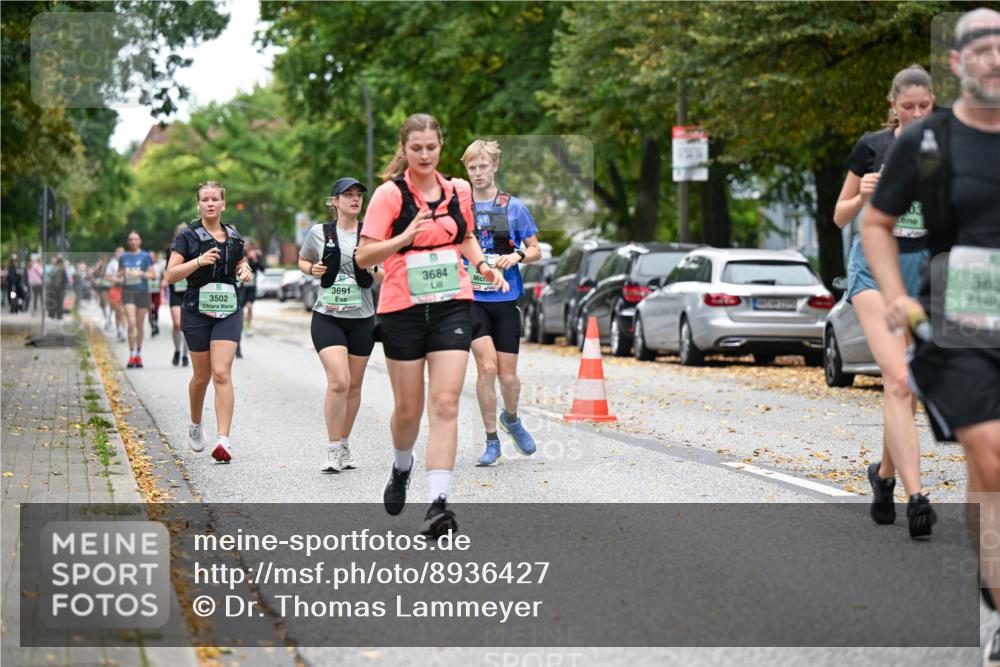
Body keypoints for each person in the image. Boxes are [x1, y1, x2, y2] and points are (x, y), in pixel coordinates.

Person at [861, 8, 1000, 663]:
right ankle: (996, 608)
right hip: (960, 316)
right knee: (992, 453)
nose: (993, 58)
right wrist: (894, 294)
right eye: (980, 47)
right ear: (958, 63)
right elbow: (874, 223)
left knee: (989, 469)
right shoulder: (928, 142)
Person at [356, 113, 508, 538]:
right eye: (416, 148)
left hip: (452, 306)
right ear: (404, 150)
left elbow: (464, 236)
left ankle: (438, 504)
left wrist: (483, 265)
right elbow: (364, 258)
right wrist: (403, 238)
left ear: (441, 147)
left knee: (445, 403)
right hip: (402, 309)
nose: (424, 155)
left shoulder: (458, 190)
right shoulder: (389, 195)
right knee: (409, 409)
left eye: (432, 147)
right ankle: (402, 465)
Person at [833, 65, 935, 537]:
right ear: (892, 106)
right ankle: (917, 496)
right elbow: (839, 216)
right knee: (897, 377)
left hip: (921, 274)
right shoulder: (872, 147)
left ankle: (885, 476)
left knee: (905, 387)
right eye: (907, 106)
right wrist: (863, 197)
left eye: (925, 106)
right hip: (872, 271)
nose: (916, 114)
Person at [460, 139, 543, 466]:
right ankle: (491, 439)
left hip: (506, 298)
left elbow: (536, 249)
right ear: (466, 170)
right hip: (472, 299)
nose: (478, 173)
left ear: (494, 167)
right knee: (488, 367)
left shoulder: (513, 207)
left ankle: (511, 418)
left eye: (483, 166)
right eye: (471, 167)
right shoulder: (460, 207)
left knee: (508, 377)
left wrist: (517, 255)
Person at [165, 181, 253, 463]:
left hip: (228, 309)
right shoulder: (187, 237)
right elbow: (171, 275)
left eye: (215, 199)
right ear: (198, 205)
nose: (211, 203)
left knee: (222, 373)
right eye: (205, 199)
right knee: (201, 376)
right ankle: (195, 423)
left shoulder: (235, 236)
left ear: (223, 204)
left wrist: (245, 269)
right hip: (196, 310)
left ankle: (223, 440)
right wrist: (199, 261)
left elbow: (240, 264)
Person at [299, 177, 382, 473]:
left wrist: (372, 267)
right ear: (334, 201)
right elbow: (303, 261)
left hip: (362, 319)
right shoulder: (319, 232)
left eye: (358, 194)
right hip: (328, 317)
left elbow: (386, 275)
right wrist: (312, 269)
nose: (354, 199)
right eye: (347, 195)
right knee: (339, 381)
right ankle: (333, 448)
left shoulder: (372, 235)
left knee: (354, 385)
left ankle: (345, 441)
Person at [118, 231, 155, 368]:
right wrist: (120, 276)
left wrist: (141, 273)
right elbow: (119, 274)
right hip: (128, 292)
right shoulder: (123, 257)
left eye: (135, 239)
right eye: (130, 239)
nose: (133, 241)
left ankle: (138, 354)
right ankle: (131, 354)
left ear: (140, 241)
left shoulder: (145, 257)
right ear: (128, 242)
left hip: (142, 293)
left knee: (139, 324)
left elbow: (153, 275)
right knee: (131, 323)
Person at [164, 226, 190, 367]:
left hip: (189, 291)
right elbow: (167, 269)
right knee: (177, 324)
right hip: (175, 290)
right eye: (180, 233)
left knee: (186, 326)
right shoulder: (171, 250)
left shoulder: (194, 247)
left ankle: (185, 355)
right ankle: (177, 350)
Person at [240, 239, 263, 338]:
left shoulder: (254, 256)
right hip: (242, 287)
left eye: (248, 245)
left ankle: (248, 326)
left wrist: (255, 259)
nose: (246, 247)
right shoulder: (240, 255)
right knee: (240, 309)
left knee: (249, 307)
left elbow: (262, 269)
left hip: (252, 287)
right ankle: (240, 326)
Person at [106, 247, 126, 341]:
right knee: (118, 311)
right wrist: (115, 279)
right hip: (114, 289)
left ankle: (122, 331)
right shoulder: (112, 264)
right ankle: (119, 329)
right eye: (119, 252)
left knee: (123, 311)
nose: (121, 254)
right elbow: (107, 276)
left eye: (122, 252)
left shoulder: (127, 263)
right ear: (115, 253)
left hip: (125, 289)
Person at [147, 250, 162, 337]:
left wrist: (162, 282)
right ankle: (152, 326)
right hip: (147, 291)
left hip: (156, 290)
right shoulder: (145, 266)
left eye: (152, 257)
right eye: (149, 257)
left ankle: (155, 323)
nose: (151, 258)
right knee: (150, 310)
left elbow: (164, 276)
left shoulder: (159, 265)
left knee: (155, 309)